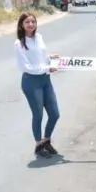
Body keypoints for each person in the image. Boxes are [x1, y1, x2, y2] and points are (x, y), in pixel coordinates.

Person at [14, 12, 61, 158]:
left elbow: (39, 57)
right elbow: (26, 66)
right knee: (38, 115)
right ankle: (39, 145)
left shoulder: (39, 37)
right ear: (22, 25)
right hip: (31, 81)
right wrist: (47, 68)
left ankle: (46, 140)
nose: (30, 24)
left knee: (54, 114)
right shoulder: (19, 43)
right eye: (27, 22)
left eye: (33, 21)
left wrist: (49, 58)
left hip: (45, 80)